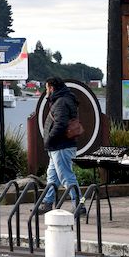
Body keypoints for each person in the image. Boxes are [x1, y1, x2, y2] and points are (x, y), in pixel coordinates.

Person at [38, 77, 84, 214]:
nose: (46, 91)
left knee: (67, 177)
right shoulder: (63, 99)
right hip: (57, 147)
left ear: (52, 88)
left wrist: (49, 139)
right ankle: (47, 203)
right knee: (52, 177)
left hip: (61, 146)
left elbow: (60, 124)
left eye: (47, 88)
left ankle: (80, 205)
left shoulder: (61, 102)